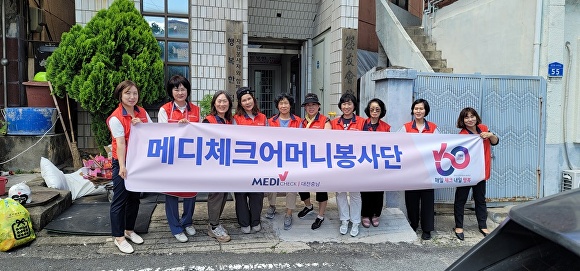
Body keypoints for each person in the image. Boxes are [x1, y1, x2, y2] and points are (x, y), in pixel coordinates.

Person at [107, 80, 151, 254]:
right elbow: (120, 144)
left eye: (135, 93)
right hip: (123, 162)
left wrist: (142, 125)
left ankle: (129, 230)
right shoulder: (116, 117)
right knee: (120, 199)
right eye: (128, 93)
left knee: (134, 198)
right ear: (120, 95)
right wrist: (122, 166)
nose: (132, 97)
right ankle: (119, 237)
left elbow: (152, 133)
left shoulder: (142, 112)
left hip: (138, 160)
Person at [157, 75, 200, 243]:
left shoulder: (195, 110)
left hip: (190, 158)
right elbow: (161, 133)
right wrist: (178, 128)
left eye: (183, 89)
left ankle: (187, 221)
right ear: (171, 92)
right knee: (172, 193)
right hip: (172, 158)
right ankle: (175, 227)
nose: (180, 92)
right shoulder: (164, 110)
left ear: (187, 90)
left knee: (191, 192)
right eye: (176, 89)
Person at [453, 107, 499, 240]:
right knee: (460, 200)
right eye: (466, 117)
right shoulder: (462, 135)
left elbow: (495, 142)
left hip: (480, 171)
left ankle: (483, 225)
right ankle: (459, 226)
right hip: (466, 173)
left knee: (480, 199)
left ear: (476, 117)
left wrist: (490, 135)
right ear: (462, 120)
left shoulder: (484, 128)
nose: (470, 119)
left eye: (472, 116)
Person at [398, 98, 439, 240]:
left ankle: (427, 229)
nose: (418, 111)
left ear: (426, 110)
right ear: (412, 110)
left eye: (421, 108)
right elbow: (397, 143)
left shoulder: (433, 128)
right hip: (411, 171)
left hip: (428, 170)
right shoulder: (406, 127)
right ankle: (414, 224)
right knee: (411, 200)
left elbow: (439, 146)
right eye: (416, 108)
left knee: (427, 200)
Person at [330, 91, 365, 237]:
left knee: (355, 194)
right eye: (344, 103)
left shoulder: (362, 122)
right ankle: (344, 220)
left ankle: (355, 222)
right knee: (340, 193)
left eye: (349, 103)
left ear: (354, 105)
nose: (346, 106)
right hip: (339, 163)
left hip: (356, 163)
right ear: (340, 106)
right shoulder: (333, 123)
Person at [232, 87, 267, 234]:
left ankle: (255, 221)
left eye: (249, 99)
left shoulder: (263, 118)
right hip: (241, 163)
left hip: (258, 162)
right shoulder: (235, 119)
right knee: (241, 194)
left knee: (257, 193)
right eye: (244, 100)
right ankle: (244, 222)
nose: (247, 102)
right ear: (240, 103)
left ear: (254, 99)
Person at [265, 93, 302, 230]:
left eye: (286, 103)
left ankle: (289, 212)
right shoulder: (270, 121)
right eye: (281, 103)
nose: (284, 106)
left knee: (291, 186)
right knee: (272, 184)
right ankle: (272, 206)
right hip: (274, 158)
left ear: (290, 105)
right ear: (277, 106)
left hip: (292, 159)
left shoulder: (299, 121)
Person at [202, 90, 234, 243]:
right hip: (213, 164)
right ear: (214, 103)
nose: (222, 104)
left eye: (225, 101)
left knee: (223, 193)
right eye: (219, 101)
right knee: (216, 194)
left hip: (227, 164)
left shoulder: (229, 121)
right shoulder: (208, 121)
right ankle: (214, 226)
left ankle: (214, 223)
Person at [297, 93, 331, 230]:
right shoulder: (301, 122)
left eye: (313, 105)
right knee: (301, 185)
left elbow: (327, 139)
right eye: (308, 105)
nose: (311, 107)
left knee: (321, 188)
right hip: (304, 159)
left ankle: (320, 215)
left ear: (318, 106)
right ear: (305, 107)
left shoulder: (325, 121)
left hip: (319, 160)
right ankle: (308, 206)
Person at [360, 98, 391, 228]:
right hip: (364, 162)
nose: (374, 111)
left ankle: (376, 214)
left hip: (380, 162)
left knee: (378, 191)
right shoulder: (362, 124)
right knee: (365, 190)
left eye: (377, 109)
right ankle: (365, 214)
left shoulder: (386, 127)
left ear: (381, 111)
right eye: (372, 109)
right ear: (368, 110)